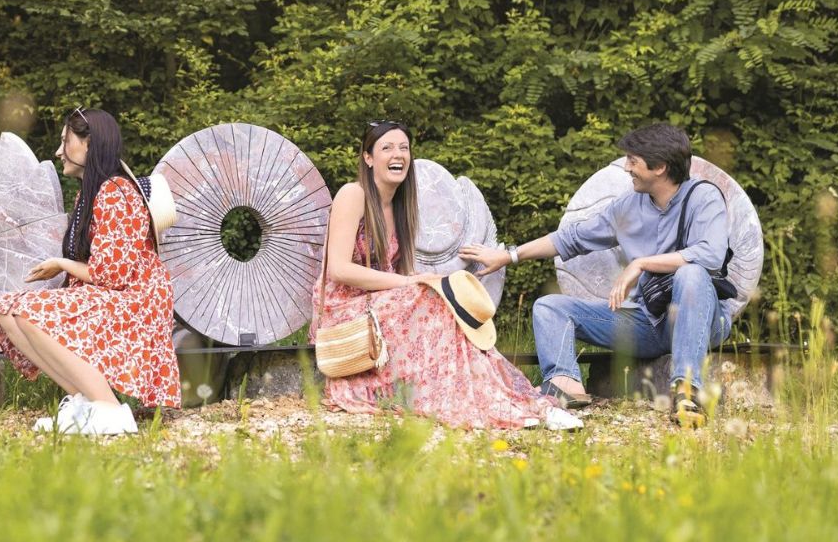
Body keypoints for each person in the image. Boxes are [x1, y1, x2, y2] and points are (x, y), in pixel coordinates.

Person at [312, 120, 582, 430]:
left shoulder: (401, 205)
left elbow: (398, 271)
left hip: (379, 302)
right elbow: (339, 269)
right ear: (368, 158)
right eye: (386, 148)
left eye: (404, 147)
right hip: (343, 309)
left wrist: (421, 282)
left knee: (444, 300)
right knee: (430, 296)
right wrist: (411, 283)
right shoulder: (353, 194)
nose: (397, 154)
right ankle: (489, 402)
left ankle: (509, 399)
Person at [459, 123, 730, 428]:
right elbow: (571, 239)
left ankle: (687, 391)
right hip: (649, 322)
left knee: (691, 274)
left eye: (633, 160)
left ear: (660, 167)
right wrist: (509, 255)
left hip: (702, 320)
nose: (627, 168)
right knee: (549, 307)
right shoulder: (629, 206)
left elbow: (710, 255)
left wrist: (640, 263)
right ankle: (566, 385)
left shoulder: (703, 197)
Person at [0, 107, 181, 436]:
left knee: (25, 313)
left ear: (89, 144)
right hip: (115, 296)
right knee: (7, 312)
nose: (59, 151)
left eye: (66, 141)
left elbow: (113, 275)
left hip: (136, 302)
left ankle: (108, 408)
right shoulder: (90, 195)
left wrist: (61, 264)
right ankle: (85, 402)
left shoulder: (116, 192)